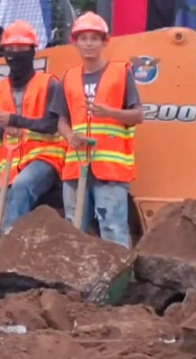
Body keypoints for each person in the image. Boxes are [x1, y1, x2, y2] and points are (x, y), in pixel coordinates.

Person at [49, 12, 143, 248]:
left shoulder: (122, 73)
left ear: (104, 42)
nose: (89, 43)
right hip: (76, 167)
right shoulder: (69, 78)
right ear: (75, 42)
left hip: (110, 169)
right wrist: (70, 136)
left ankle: (120, 282)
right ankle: (75, 280)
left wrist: (111, 113)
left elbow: (138, 115)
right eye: (83, 38)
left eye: (94, 38)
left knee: (112, 228)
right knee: (74, 228)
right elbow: (61, 120)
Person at [0, 20, 65, 235]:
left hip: (45, 159)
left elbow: (51, 125)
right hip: (10, 165)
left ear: (32, 51)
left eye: (20, 49)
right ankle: (1, 250)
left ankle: (7, 250)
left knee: (22, 187)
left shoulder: (50, 84)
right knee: (8, 200)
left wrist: (15, 121)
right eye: (10, 49)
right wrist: (4, 129)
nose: (15, 54)